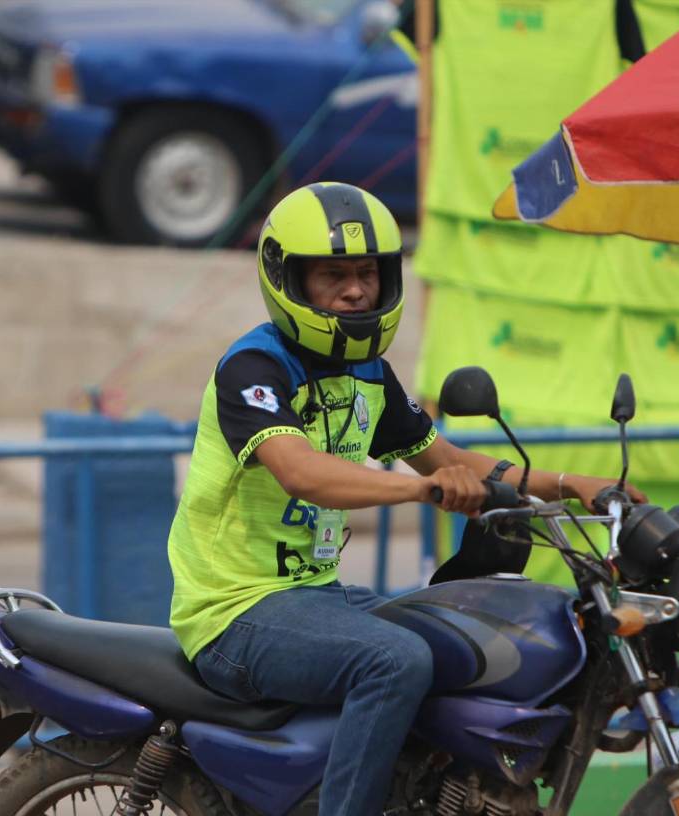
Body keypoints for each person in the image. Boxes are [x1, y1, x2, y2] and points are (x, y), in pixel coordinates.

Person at [167, 182, 645, 815]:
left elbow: (448, 460)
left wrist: (571, 486)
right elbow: (301, 472)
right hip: (235, 611)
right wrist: (420, 490)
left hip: (314, 597)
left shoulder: (368, 373)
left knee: (476, 632)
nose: (356, 290)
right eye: (332, 275)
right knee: (394, 661)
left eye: (367, 273)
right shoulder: (255, 369)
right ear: (287, 279)